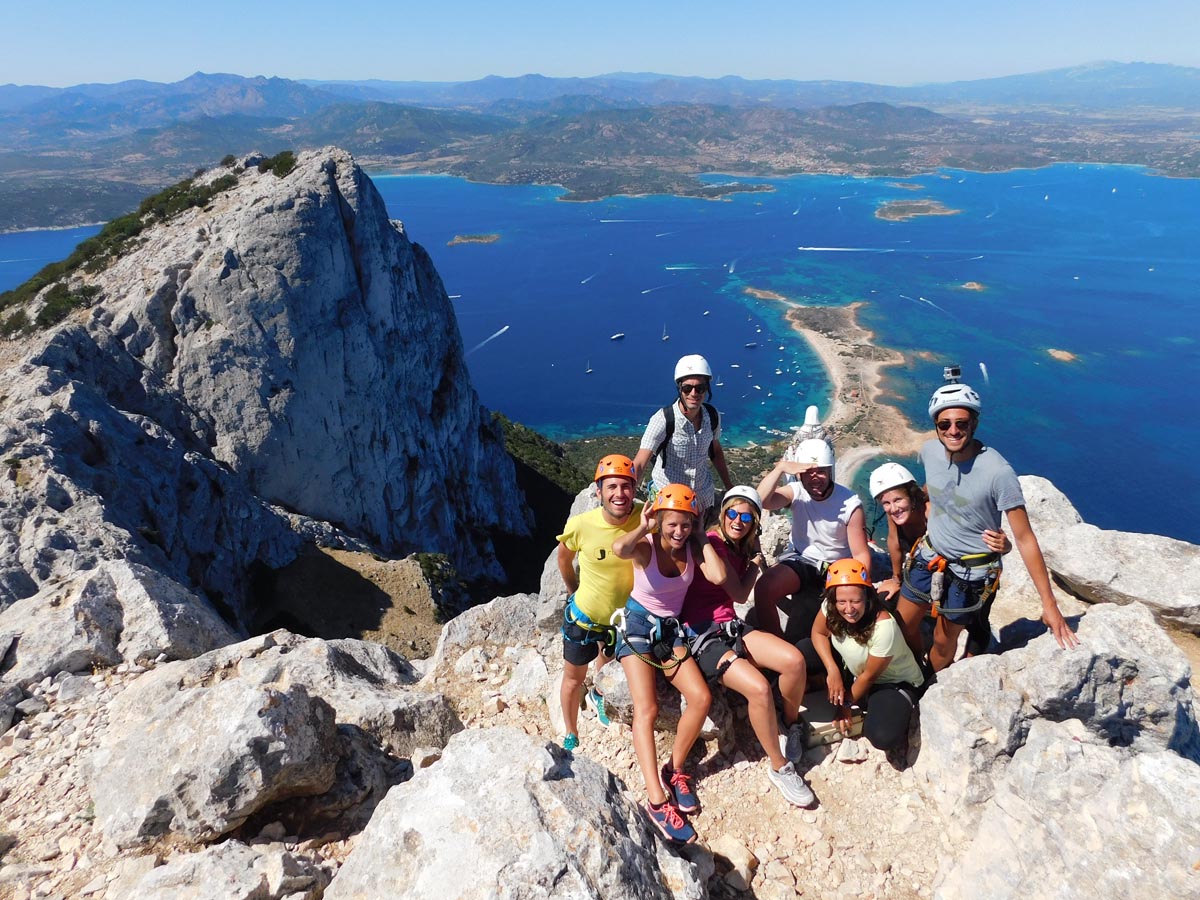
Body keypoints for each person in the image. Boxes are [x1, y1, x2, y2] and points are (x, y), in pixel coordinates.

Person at [901, 374, 1078, 672]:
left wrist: (1050, 605)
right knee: (903, 624)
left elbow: (1025, 538)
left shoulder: (998, 472)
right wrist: (921, 503)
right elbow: (935, 486)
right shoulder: (929, 451)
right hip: (929, 556)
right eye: (945, 424)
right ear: (936, 426)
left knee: (944, 643)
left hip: (969, 571)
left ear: (975, 424)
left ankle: (926, 686)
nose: (953, 431)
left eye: (962, 423)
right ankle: (911, 672)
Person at [681, 486, 816, 807]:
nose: (738, 521)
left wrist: (751, 555)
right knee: (758, 689)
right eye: (732, 513)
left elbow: (736, 599)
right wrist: (755, 561)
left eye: (746, 517)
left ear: (753, 523)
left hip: (732, 628)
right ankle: (779, 767)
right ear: (722, 514)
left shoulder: (736, 547)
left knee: (794, 661)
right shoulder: (711, 544)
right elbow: (739, 593)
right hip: (702, 635)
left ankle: (790, 723)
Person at [612, 483, 727, 844]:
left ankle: (675, 769)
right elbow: (620, 548)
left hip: (671, 632)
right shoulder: (646, 548)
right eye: (672, 524)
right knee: (646, 709)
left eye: (685, 525)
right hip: (637, 627)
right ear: (659, 521)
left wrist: (702, 533)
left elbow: (721, 577)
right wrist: (644, 527)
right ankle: (657, 800)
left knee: (701, 698)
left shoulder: (692, 547)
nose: (678, 532)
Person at [869, 461, 1009, 658]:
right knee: (897, 613)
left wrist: (1005, 545)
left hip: (965, 575)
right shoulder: (895, 516)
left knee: (976, 624)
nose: (893, 508)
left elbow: (973, 534)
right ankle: (919, 659)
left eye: (898, 500)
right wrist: (896, 578)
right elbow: (894, 542)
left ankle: (967, 667)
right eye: (886, 503)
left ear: (911, 495)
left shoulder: (933, 511)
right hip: (929, 572)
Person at [555, 454, 642, 752]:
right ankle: (570, 731)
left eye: (626, 487)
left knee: (605, 668)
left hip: (622, 622)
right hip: (584, 618)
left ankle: (599, 697)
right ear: (599, 492)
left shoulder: (645, 519)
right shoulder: (581, 525)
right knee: (573, 679)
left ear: (635, 489)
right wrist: (574, 589)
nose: (620, 494)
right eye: (612, 487)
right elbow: (564, 558)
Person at [800, 559, 925, 752]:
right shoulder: (831, 606)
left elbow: (868, 676)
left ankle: (885, 703)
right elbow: (818, 633)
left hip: (890, 680)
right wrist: (832, 670)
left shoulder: (883, 627)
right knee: (802, 652)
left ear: (867, 597)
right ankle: (829, 683)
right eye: (841, 601)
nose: (849, 609)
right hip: (852, 667)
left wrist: (845, 708)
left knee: (882, 737)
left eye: (855, 601)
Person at [752, 439, 872, 640]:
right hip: (802, 559)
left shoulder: (850, 504)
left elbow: (860, 553)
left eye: (820, 471)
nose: (814, 478)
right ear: (799, 474)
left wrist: (861, 589)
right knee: (763, 589)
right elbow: (760, 500)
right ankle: (777, 647)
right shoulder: (797, 492)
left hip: (837, 566)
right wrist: (781, 468)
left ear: (830, 470)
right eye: (808, 472)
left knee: (838, 622)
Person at [632, 354, 733, 523]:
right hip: (670, 499)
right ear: (679, 388)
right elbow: (641, 462)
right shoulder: (662, 420)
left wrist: (729, 486)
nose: (694, 393)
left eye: (700, 388)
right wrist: (627, 491)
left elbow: (715, 451)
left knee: (696, 545)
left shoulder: (712, 416)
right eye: (687, 388)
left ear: (707, 388)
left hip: (701, 498)